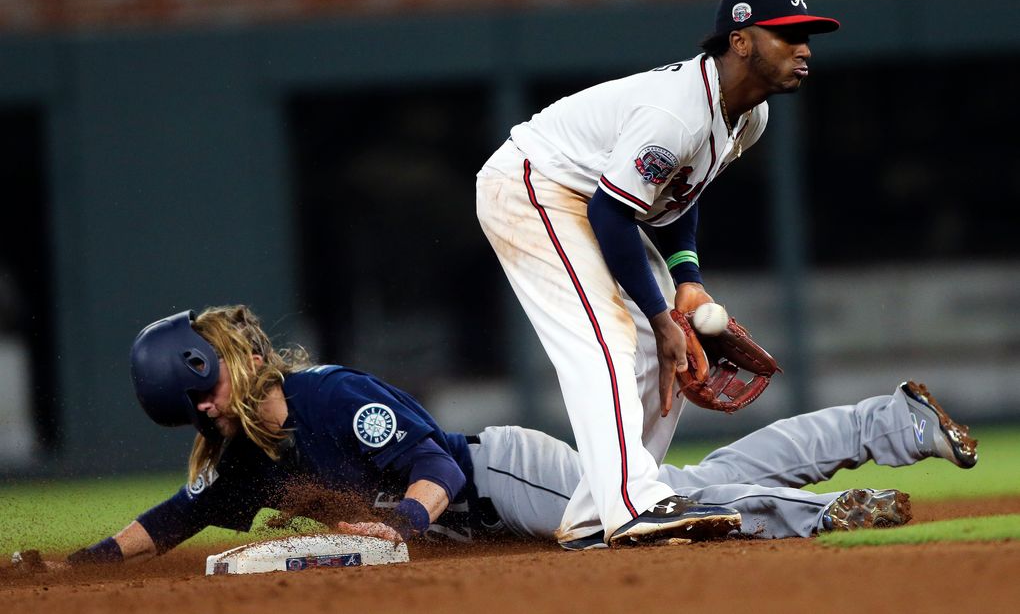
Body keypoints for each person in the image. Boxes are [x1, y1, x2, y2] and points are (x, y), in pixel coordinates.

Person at [61, 305, 977, 564]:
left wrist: (405, 530)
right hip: (493, 506)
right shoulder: (253, 460)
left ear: (217, 363)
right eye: (194, 412)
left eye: (204, 393)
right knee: (694, 481)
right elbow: (176, 515)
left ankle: (818, 515)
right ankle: (885, 419)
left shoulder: (332, 399)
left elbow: (428, 464)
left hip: (502, 478)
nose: (205, 414)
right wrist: (92, 560)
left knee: (648, 515)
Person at [475, 0, 841, 547]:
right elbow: (611, 214)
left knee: (661, 350)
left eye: (807, 36)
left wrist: (687, 284)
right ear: (740, 41)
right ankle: (632, 505)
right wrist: (658, 313)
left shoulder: (750, 117)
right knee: (610, 340)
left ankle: (597, 514)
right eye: (786, 34)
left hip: (592, 199)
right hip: (534, 184)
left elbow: (674, 200)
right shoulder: (678, 113)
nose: (804, 48)